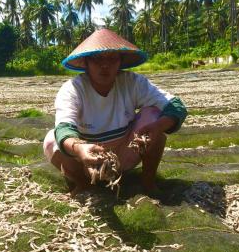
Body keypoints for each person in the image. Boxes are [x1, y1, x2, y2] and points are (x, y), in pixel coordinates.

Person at [43, 29, 187, 195]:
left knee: (153, 114)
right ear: (86, 63)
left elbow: (176, 106)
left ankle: (148, 183)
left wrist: (157, 127)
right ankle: (84, 184)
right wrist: (80, 148)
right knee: (51, 140)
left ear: (120, 62)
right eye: (97, 59)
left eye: (112, 58)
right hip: (86, 159)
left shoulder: (132, 82)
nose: (105, 65)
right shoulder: (73, 89)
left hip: (125, 155)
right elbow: (64, 128)